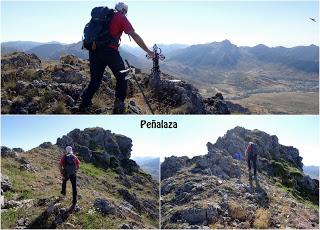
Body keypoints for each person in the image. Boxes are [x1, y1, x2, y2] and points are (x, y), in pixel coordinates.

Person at [80, 2, 155, 114]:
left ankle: (83, 105)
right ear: (124, 10)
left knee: (95, 80)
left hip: (94, 51)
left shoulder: (104, 16)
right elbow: (134, 35)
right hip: (110, 52)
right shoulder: (120, 17)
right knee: (122, 78)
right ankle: (118, 106)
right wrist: (148, 51)